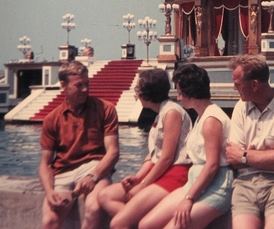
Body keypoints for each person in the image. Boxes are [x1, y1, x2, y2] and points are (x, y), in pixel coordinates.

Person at [139, 63, 233, 229]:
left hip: (216, 187)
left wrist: (189, 199)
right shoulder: (201, 116)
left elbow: (212, 165)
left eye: (181, 93)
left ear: (191, 93)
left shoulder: (211, 120)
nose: (179, 98)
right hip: (195, 181)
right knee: (146, 224)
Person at [98, 68, 193, 229]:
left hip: (175, 172)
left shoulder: (172, 113)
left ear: (147, 93)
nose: (136, 93)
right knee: (105, 195)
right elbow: (154, 153)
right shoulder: (160, 113)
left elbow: (167, 158)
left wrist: (143, 185)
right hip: (159, 170)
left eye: (137, 89)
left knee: (118, 223)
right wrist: (138, 177)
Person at [225, 53, 274, 229]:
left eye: (237, 84)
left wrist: (244, 156)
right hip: (246, 184)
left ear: (254, 85)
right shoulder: (240, 107)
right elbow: (232, 158)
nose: (234, 88)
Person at [39, 60, 120, 229]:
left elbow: (112, 152)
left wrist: (94, 176)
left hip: (94, 167)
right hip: (63, 172)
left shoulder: (106, 109)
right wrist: (49, 191)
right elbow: (45, 164)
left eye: (87, 83)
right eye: (79, 85)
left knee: (93, 208)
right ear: (63, 85)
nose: (85, 89)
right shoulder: (52, 119)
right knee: (49, 221)